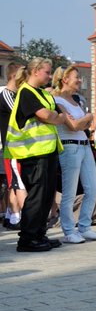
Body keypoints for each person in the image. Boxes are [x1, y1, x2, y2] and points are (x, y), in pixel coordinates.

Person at [6, 59, 89, 251]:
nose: (50, 76)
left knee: (46, 196)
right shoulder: (26, 92)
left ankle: (39, 234)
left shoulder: (42, 93)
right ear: (35, 71)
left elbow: (55, 114)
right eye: (47, 72)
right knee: (36, 196)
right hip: (32, 153)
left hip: (47, 151)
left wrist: (57, 117)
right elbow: (47, 115)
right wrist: (59, 118)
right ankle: (27, 239)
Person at [52, 65, 96, 244]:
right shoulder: (56, 100)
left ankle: (85, 227)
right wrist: (88, 117)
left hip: (84, 146)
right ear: (64, 79)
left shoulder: (77, 100)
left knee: (92, 188)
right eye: (76, 77)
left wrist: (84, 120)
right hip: (69, 147)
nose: (80, 80)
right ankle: (68, 230)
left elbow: (81, 125)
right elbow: (72, 126)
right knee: (70, 191)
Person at [2, 64, 28, 230]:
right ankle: (17, 216)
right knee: (17, 182)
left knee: (15, 182)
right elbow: (19, 115)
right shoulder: (7, 94)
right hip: (12, 146)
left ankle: (13, 216)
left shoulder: (15, 94)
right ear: (14, 77)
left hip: (18, 146)